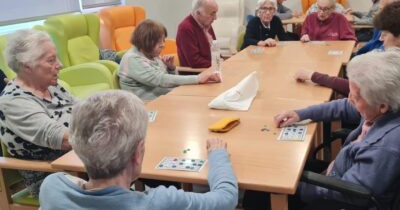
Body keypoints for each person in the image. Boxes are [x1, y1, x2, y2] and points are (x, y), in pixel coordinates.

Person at [39, 90, 239, 210]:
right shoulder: (160, 202)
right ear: (137, 153)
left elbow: (76, 183)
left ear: (78, 146)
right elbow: (226, 198)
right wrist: (218, 155)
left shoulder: (52, 188)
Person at [275, 49, 400, 209]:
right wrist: (300, 114)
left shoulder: (385, 148)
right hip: (339, 172)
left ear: (382, 106)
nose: (349, 100)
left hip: (340, 198)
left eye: (355, 97)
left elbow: (350, 194)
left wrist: (295, 189)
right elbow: (343, 106)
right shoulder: (379, 106)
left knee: (264, 194)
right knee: (284, 169)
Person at [0, 29, 74, 198]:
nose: (60, 64)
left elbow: (86, 109)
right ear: (27, 66)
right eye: (51, 60)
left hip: (81, 163)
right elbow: (64, 139)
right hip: (52, 179)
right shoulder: (13, 102)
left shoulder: (52, 86)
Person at [294, 0, 400, 96]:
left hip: (340, 67)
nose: (321, 12)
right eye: (319, 8)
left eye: (385, 34)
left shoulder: (388, 63)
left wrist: (314, 76)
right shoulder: (384, 45)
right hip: (318, 60)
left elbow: (357, 89)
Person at [119, 19, 221, 101]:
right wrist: (197, 78)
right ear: (146, 41)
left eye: (163, 40)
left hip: (167, 98)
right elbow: (161, 80)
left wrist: (171, 68)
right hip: (148, 105)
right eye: (159, 42)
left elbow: (171, 81)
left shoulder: (151, 54)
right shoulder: (132, 59)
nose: (163, 45)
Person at [176, 0, 218, 68]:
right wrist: (217, 64)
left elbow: (215, 50)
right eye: (212, 14)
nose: (215, 18)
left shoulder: (206, 24)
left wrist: (221, 61)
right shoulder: (185, 28)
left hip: (211, 69)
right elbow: (194, 62)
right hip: (196, 74)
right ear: (198, 13)